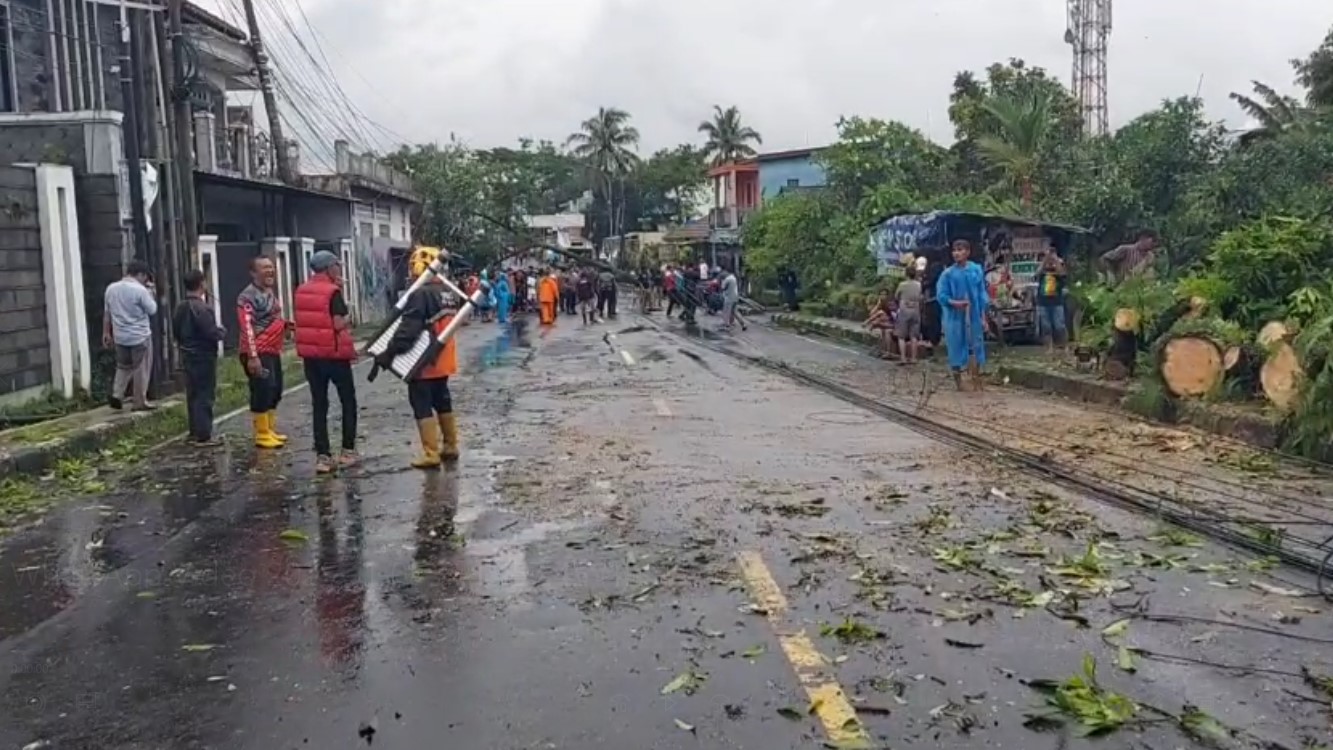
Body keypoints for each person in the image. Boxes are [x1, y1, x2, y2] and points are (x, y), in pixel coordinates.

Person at [378, 246, 461, 469]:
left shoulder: (420, 294)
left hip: (423, 362)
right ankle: (451, 445)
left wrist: (390, 352)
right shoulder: (449, 292)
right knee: (442, 401)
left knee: (422, 404)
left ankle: (431, 453)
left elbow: (408, 330)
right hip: (443, 359)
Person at [293, 250, 359, 474]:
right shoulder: (333, 292)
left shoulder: (300, 290)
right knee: (347, 401)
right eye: (337, 265)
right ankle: (348, 451)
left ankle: (323, 457)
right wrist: (350, 316)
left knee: (319, 404)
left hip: (311, 358)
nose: (339, 269)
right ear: (330, 268)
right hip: (334, 355)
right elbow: (338, 324)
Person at [237, 256, 288, 449]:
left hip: (273, 350)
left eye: (271, 267)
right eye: (265, 268)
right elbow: (247, 327)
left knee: (275, 389)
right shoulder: (246, 297)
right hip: (257, 351)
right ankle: (262, 433)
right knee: (262, 389)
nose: (270, 271)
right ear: (253, 273)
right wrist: (252, 356)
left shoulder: (269, 292)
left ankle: (271, 428)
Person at [172, 269, 225, 444]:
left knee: (193, 394)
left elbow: (176, 332)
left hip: (187, 354)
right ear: (202, 284)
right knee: (205, 395)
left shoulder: (180, 307)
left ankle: (194, 432)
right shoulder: (203, 308)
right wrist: (221, 332)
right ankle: (204, 434)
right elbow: (210, 332)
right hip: (204, 356)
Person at [103, 260, 159, 411]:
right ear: (141, 274)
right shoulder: (140, 291)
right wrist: (151, 293)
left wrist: (106, 333)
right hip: (140, 336)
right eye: (145, 277)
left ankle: (117, 394)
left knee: (123, 366)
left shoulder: (111, 289)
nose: (145, 281)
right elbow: (152, 310)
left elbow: (107, 314)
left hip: (120, 336)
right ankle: (139, 401)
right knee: (141, 368)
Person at [936, 239, 989, 389]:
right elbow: (942, 296)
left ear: (968, 252)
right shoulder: (947, 274)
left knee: (977, 345)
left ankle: (976, 378)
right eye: (954, 250)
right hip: (954, 317)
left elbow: (981, 294)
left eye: (960, 250)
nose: (956, 253)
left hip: (974, 315)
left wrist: (983, 317)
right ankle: (958, 382)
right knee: (955, 346)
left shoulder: (976, 270)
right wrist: (955, 303)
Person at [1035, 248, 1069, 355]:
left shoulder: (1058, 272)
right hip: (1043, 302)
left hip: (1056, 302)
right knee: (1046, 326)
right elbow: (1037, 273)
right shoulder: (1042, 272)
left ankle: (1064, 347)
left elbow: (1062, 273)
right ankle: (1049, 348)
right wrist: (1046, 259)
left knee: (1060, 326)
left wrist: (1055, 260)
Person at [895, 265, 923, 364]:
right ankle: (913, 358)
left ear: (906, 274)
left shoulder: (902, 284)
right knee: (914, 336)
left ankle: (903, 358)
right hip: (915, 310)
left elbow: (896, 296)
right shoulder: (919, 285)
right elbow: (921, 297)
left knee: (901, 336)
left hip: (904, 310)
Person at [863, 289, 897, 358]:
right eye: (881, 295)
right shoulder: (881, 304)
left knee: (885, 329)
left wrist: (877, 322)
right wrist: (878, 303)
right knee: (881, 329)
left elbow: (893, 317)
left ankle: (888, 352)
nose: (883, 296)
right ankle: (883, 350)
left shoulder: (891, 303)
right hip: (887, 324)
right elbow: (872, 313)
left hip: (894, 324)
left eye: (885, 295)